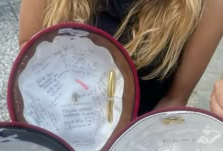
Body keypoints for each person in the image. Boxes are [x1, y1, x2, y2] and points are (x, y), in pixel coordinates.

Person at [19, 0, 223, 115]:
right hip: (55, 121)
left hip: (134, 140)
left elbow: (174, 98)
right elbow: (28, 51)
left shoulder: (208, 5)